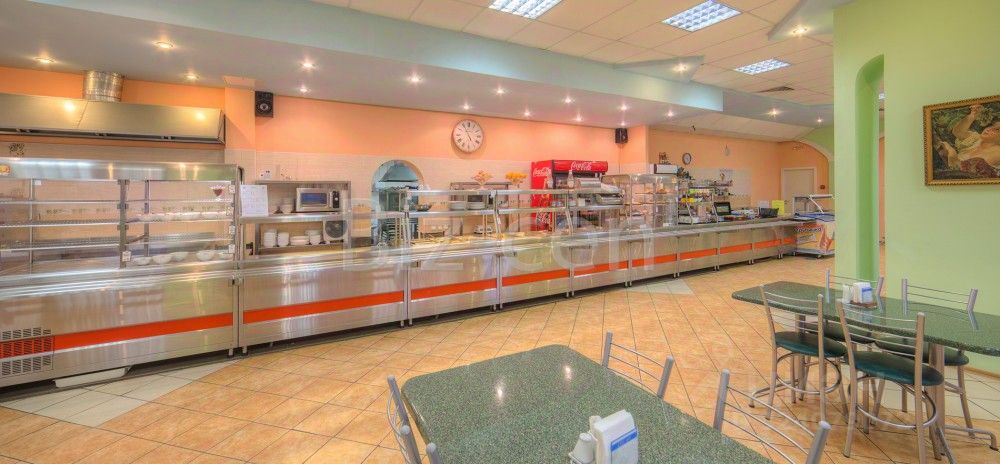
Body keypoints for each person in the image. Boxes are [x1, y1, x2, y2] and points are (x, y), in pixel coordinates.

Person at [936, 104, 1000, 176]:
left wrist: (951, 153)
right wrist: (972, 115)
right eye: (991, 126)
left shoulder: (997, 152)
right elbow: (958, 132)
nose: (989, 129)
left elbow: (968, 169)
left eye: (997, 130)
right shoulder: (976, 138)